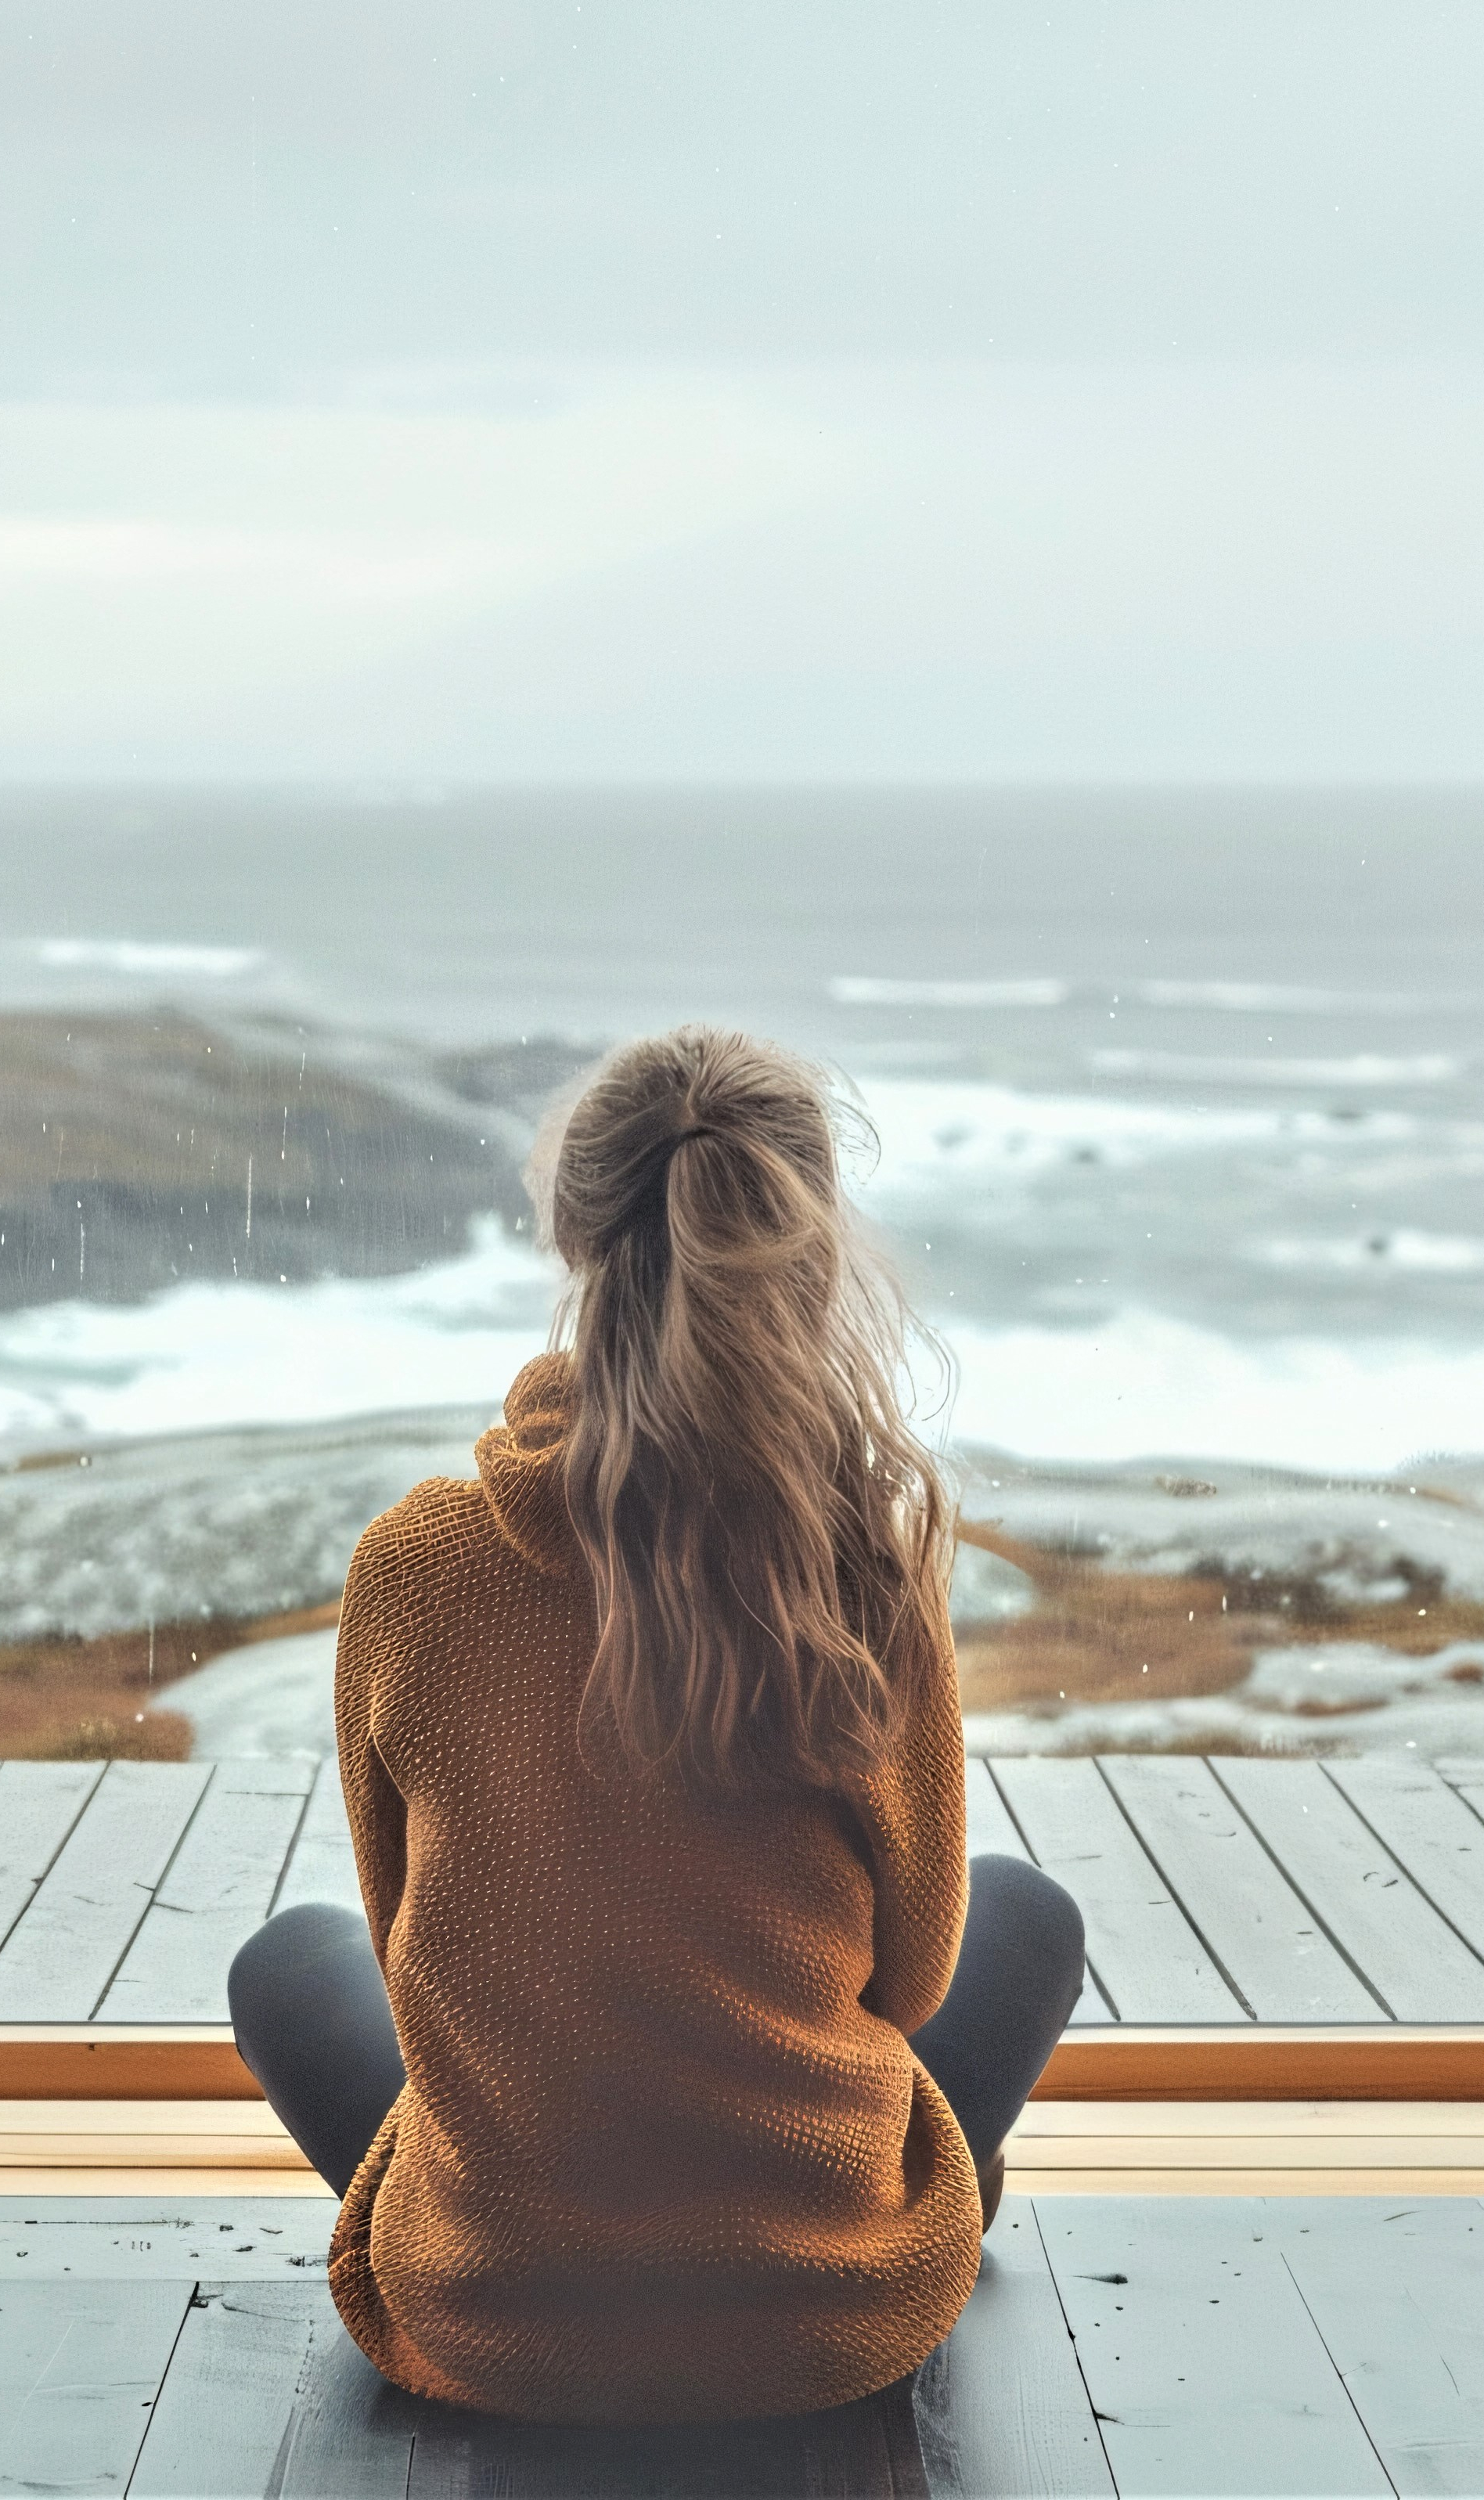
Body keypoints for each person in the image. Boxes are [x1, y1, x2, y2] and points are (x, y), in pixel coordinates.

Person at [225, 1025, 1087, 2425]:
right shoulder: (855, 1559)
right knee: (1027, 1916)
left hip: (498, 2320)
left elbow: (404, 1950)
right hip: (824, 2331)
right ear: (803, 1242)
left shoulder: (418, 1562)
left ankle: (558, 2252)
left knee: (290, 1962)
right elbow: (917, 1978)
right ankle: (882, 2228)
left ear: (574, 1240)